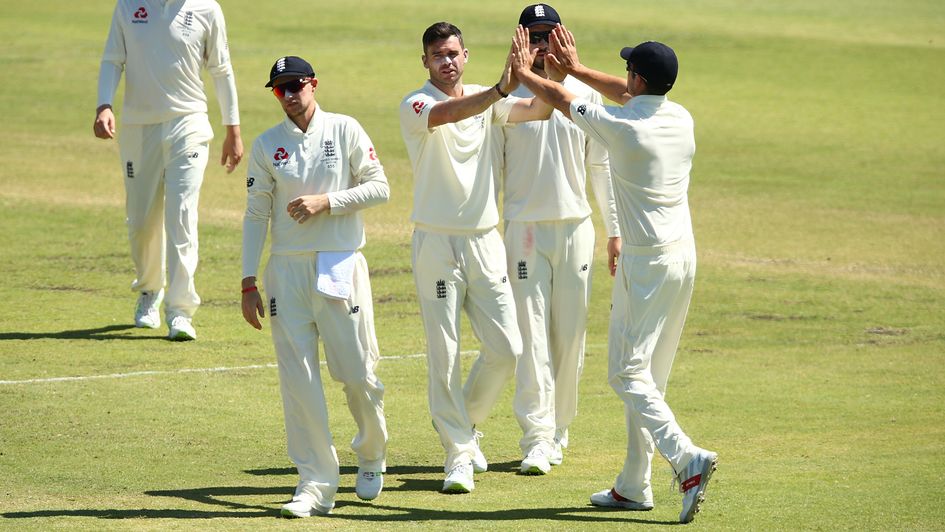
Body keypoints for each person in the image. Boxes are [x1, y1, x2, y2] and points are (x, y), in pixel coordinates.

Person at [511, 26, 718, 523]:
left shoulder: (624, 129)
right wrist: (579, 68)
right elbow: (620, 93)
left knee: (625, 373)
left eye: (629, 70)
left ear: (639, 78)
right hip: (683, 258)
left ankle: (686, 457)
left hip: (646, 265)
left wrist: (523, 72)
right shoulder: (679, 117)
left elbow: (561, 100)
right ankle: (632, 483)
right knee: (650, 377)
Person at [399, 22, 557, 494]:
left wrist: (544, 72)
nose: (446, 61)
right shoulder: (417, 104)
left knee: (508, 348)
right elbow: (449, 114)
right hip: (437, 243)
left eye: (453, 53)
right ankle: (459, 455)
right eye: (437, 55)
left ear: (465, 55)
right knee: (444, 351)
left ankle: (462, 427)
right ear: (425, 62)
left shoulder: (494, 101)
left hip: (485, 242)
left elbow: (541, 110)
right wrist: (500, 87)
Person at [241, 56, 390, 517]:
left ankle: (371, 453)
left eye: (295, 86)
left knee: (356, 373)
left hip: (339, 263)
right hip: (286, 271)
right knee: (298, 380)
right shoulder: (267, 145)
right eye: (279, 89)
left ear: (313, 84)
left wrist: (329, 201)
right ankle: (315, 483)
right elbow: (255, 214)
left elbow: (380, 187)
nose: (288, 95)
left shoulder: (344, 129)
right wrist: (248, 280)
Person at [501, 4, 621, 475]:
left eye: (548, 35)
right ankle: (536, 436)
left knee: (569, 336)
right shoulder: (508, 97)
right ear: (520, 40)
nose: (541, 45)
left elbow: (601, 165)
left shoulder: (585, 93)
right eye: (533, 36)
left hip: (575, 228)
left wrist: (614, 230)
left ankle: (560, 429)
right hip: (525, 231)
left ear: (563, 38)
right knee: (530, 337)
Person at [93, 0, 243, 340]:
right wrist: (104, 104)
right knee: (142, 221)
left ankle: (180, 311)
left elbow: (222, 69)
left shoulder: (207, 9)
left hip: (188, 124)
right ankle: (150, 291)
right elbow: (113, 59)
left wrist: (232, 128)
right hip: (138, 127)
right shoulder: (129, 6)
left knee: (182, 216)